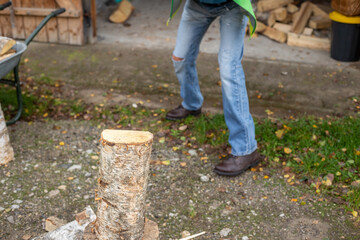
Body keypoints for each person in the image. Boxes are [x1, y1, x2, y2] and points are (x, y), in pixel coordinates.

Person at [166, 0, 260, 176]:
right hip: (197, 5)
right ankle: (191, 104)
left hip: (232, 7)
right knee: (180, 57)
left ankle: (246, 149)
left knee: (229, 70)